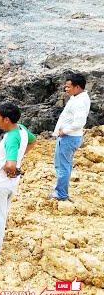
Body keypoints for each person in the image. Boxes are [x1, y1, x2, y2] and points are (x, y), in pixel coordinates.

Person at [0, 102, 36, 254]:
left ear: (6, 119)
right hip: (10, 183)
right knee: (0, 212)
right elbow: (33, 141)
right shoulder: (22, 129)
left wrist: (11, 165)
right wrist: (19, 157)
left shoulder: (11, 138)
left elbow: (11, 165)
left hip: (0, 183)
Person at [51, 73, 91, 201]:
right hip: (71, 137)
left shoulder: (79, 102)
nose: (66, 89)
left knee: (62, 166)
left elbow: (80, 122)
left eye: (68, 87)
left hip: (68, 138)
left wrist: (64, 131)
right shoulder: (78, 97)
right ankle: (60, 190)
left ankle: (61, 194)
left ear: (77, 87)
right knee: (63, 165)